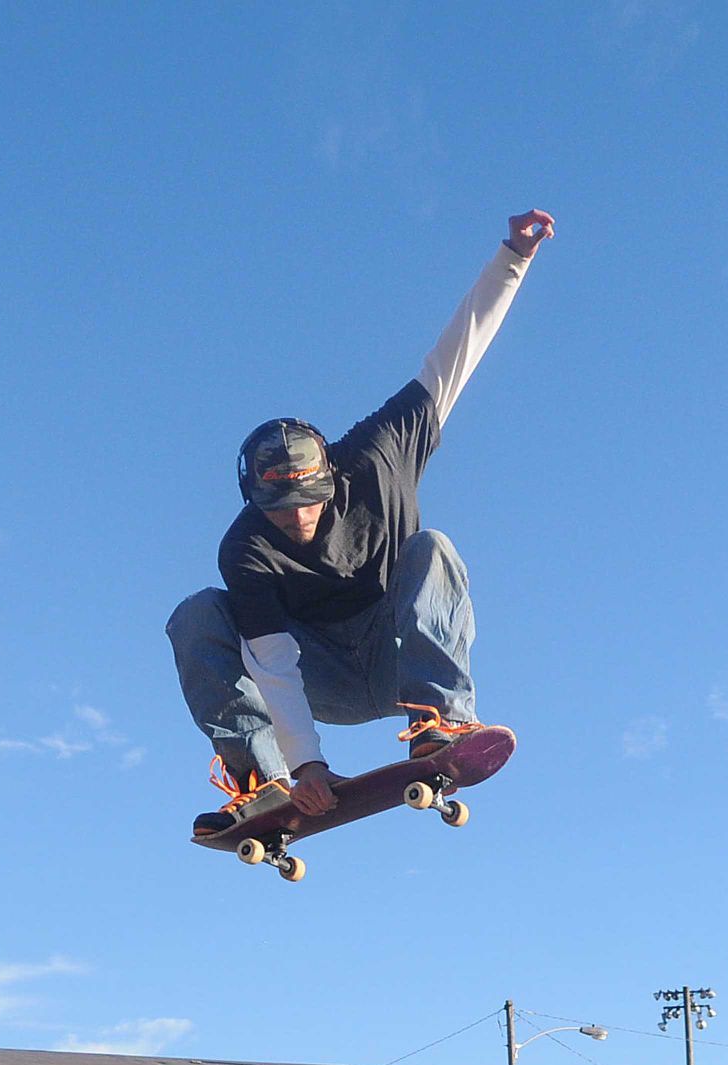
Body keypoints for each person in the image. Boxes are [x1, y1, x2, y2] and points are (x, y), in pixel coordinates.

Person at [167, 208, 555, 837]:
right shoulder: (244, 547)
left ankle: (439, 720)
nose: (297, 522)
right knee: (196, 614)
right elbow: (272, 663)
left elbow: (455, 357)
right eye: (280, 513)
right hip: (318, 680)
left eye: (309, 505)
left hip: (398, 655)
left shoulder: (379, 453)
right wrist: (305, 765)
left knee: (433, 548)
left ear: (331, 481)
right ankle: (255, 779)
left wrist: (512, 258)